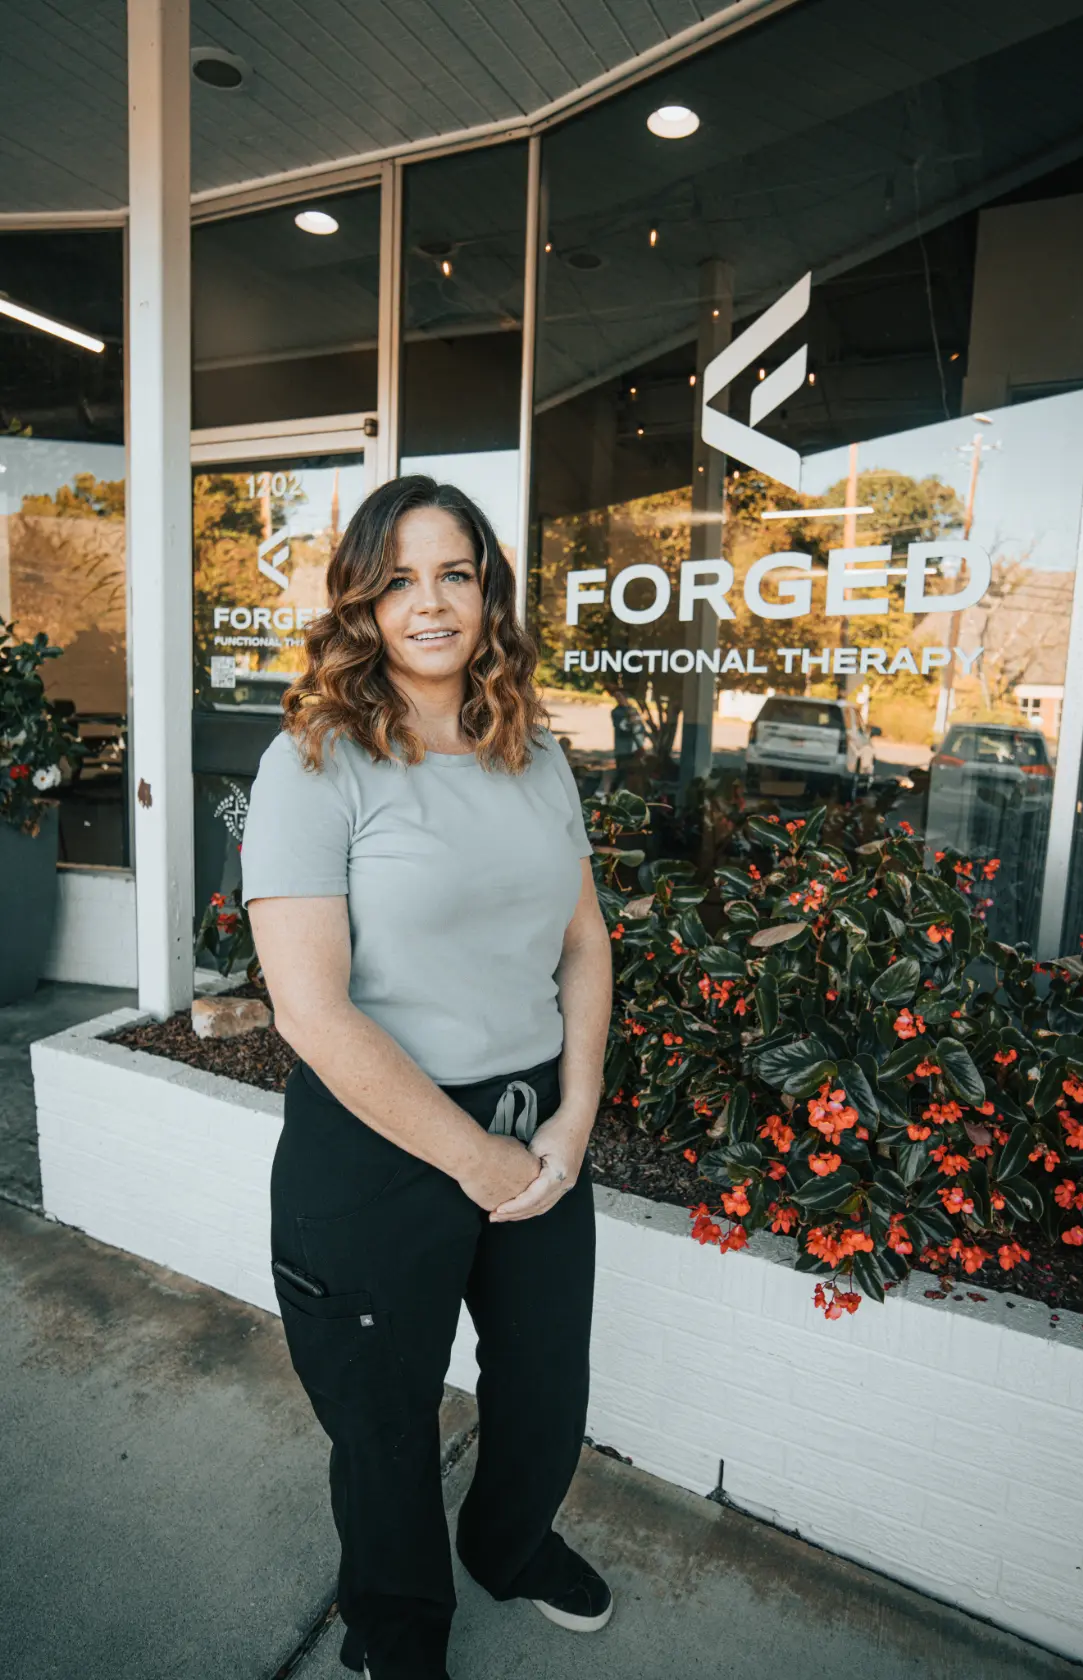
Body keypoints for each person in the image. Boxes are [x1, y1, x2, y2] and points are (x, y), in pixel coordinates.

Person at [240, 476, 614, 1680]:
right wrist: (475, 1158)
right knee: (384, 1414)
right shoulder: (317, 763)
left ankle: (507, 1545)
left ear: (488, 594)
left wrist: (574, 1113)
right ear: (362, 598)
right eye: (399, 577)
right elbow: (311, 1008)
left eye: (454, 573)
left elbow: (584, 942)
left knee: (546, 1383)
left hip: (533, 1115)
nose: (431, 601)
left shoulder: (534, 751)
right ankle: (396, 1627)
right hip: (379, 1139)